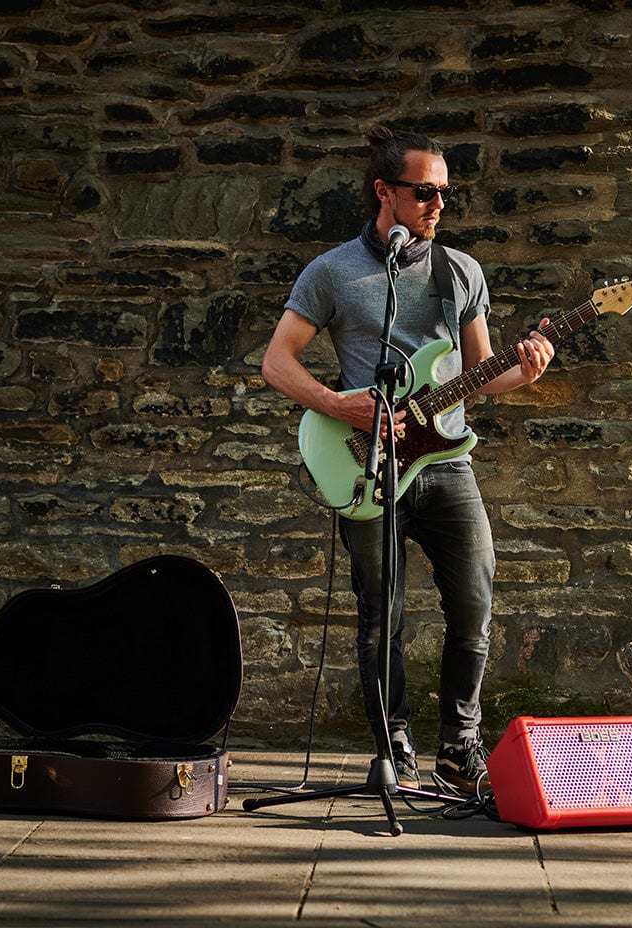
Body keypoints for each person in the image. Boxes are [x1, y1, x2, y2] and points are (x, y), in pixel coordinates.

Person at [261, 124, 555, 792]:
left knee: (475, 606)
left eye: (445, 193)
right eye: (424, 192)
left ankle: (460, 749)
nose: (438, 205)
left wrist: (528, 369)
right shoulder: (334, 271)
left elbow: (482, 373)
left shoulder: (462, 272)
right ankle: (394, 750)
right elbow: (276, 362)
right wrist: (343, 407)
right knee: (380, 617)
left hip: (447, 461)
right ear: (383, 193)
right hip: (368, 463)